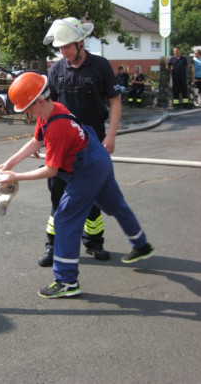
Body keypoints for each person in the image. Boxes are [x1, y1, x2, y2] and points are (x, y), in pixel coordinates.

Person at [0, 72, 155, 298]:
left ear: (39, 102)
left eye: (29, 109)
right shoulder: (51, 111)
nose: (29, 115)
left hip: (86, 172)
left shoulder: (57, 128)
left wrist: (16, 177)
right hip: (98, 159)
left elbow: (51, 170)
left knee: (64, 220)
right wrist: (10, 163)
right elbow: (36, 141)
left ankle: (66, 280)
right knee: (117, 206)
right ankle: (141, 244)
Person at [38, 17, 122, 267]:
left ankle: (94, 242)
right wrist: (40, 139)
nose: (63, 51)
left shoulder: (101, 67)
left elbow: (115, 101)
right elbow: (46, 108)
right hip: (61, 147)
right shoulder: (56, 71)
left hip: (93, 145)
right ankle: (52, 245)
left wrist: (111, 135)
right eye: (60, 47)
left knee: (93, 196)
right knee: (58, 197)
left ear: (81, 42)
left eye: (67, 47)